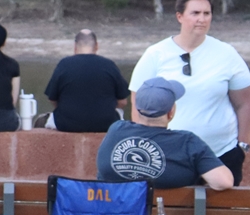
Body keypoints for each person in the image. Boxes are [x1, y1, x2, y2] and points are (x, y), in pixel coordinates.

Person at [130, 0, 250, 215]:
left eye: (207, 13)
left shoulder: (226, 54)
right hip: (170, 154)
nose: (202, 19)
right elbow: (138, 105)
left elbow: (245, 103)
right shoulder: (156, 54)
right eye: (195, 13)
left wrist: (242, 145)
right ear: (180, 16)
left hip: (220, 154)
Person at [97, 77, 232, 193]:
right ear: (171, 112)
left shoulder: (117, 129)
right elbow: (223, 182)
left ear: (137, 109)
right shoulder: (187, 142)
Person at [44, 29, 130, 133]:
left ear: (75, 46)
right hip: (106, 124)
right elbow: (122, 101)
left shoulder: (64, 64)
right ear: (96, 46)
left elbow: (52, 99)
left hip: (66, 124)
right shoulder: (109, 65)